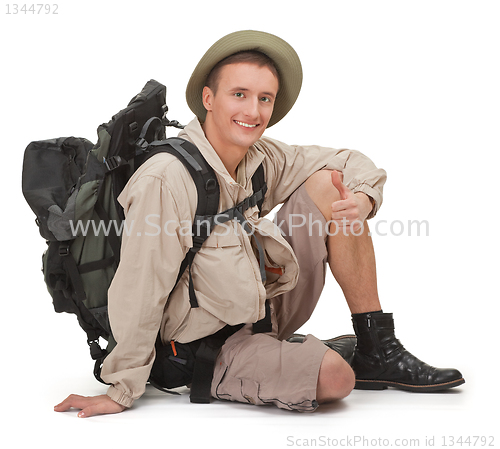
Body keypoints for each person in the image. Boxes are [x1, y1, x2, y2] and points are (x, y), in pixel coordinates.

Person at [54, 30, 464, 418]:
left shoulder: (260, 157)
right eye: (240, 95)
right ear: (208, 99)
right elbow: (141, 285)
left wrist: (360, 197)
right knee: (337, 379)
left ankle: (378, 347)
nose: (253, 112)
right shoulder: (167, 177)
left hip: (260, 308)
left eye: (264, 98)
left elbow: (345, 159)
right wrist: (121, 389)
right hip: (202, 346)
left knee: (332, 186)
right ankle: (320, 357)